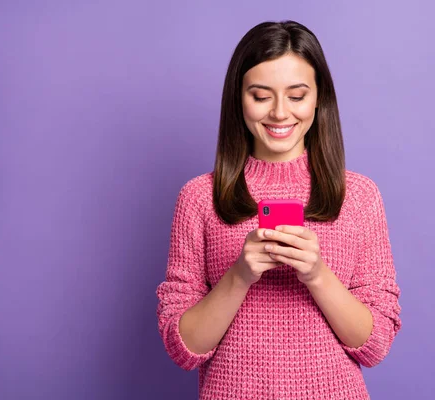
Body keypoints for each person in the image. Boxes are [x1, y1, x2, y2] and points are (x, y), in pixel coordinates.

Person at [156, 20, 402, 399]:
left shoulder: (359, 196)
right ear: (239, 99)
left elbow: (375, 344)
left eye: (297, 95)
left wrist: (317, 274)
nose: (280, 113)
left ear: (319, 98)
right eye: (261, 95)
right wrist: (239, 275)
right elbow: (183, 349)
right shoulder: (199, 197)